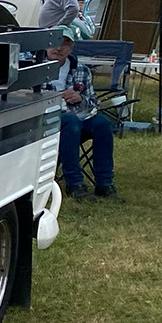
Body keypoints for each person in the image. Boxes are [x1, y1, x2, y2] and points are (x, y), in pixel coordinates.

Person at [47, 31, 117, 199]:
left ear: (71, 48)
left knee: (102, 124)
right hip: (48, 120)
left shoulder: (81, 69)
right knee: (71, 122)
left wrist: (80, 98)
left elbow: (93, 103)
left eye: (64, 44)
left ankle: (105, 183)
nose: (58, 48)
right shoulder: (33, 67)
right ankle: (74, 183)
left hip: (78, 116)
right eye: (55, 42)